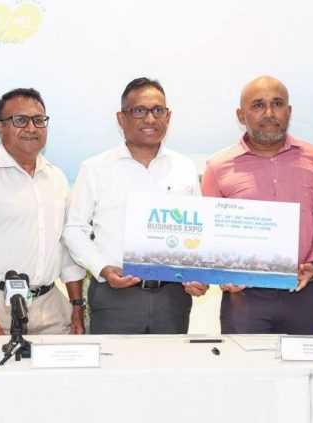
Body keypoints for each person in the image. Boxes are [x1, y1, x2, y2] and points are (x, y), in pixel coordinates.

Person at [63, 77, 207, 334]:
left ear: (168, 116)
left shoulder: (184, 168)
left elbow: (198, 231)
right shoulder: (95, 168)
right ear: (121, 118)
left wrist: (199, 275)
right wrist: (102, 268)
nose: (150, 119)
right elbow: (74, 230)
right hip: (115, 297)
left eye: (158, 110)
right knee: (115, 362)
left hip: (172, 298)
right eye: (140, 111)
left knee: (171, 361)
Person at [201, 76, 313, 335]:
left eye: (278, 104)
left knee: (301, 361)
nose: (269, 113)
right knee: (243, 361)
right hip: (244, 297)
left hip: (301, 290)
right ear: (241, 115)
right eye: (258, 105)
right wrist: (224, 273)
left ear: (289, 111)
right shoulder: (218, 167)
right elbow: (208, 233)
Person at [0, 88, 85, 335]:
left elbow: (67, 251)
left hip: (52, 308)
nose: (31, 128)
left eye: (38, 120)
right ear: (0, 127)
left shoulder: (56, 178)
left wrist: (77, 307)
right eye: (20, 120)